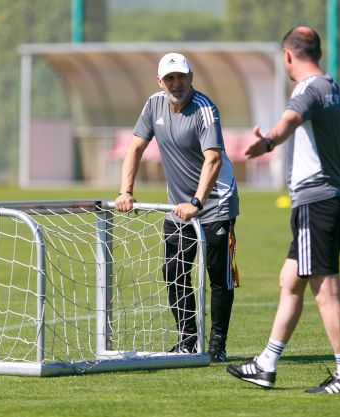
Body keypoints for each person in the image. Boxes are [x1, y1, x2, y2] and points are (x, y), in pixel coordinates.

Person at [226, 26, 340, 393]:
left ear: (288, 56)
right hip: (336, 198)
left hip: (317, 202)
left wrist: (267, 141)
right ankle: (266, 364)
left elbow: (290, 121)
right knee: (289, 281)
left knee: (325, 290)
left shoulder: (308, 90)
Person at [114, 52, 240, 363]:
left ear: (191, 77)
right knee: (173, 270)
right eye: (169, 78)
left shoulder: (205, 109)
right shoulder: (153, 105)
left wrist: (197, 202)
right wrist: (125, 191)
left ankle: (217, 346)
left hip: (215, 204)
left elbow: (213, 158)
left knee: (217, 275)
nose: (176, 83)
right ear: (160, 82)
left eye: (181, 77)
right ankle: (186, 340)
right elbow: (135, 148)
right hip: (178, 208)